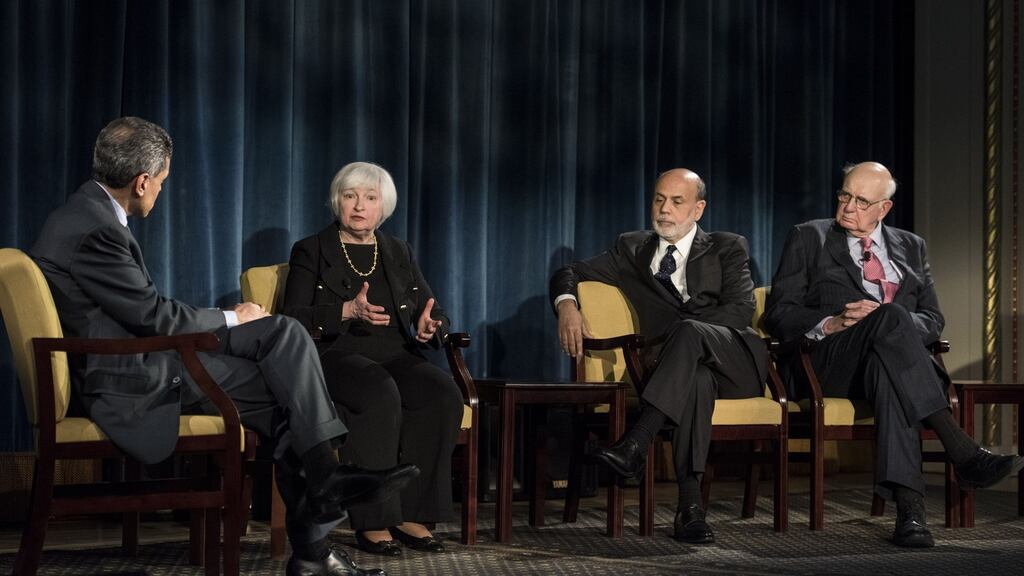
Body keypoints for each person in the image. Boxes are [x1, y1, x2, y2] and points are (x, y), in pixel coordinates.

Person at [30, 117, 417, 576]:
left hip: (148, 353)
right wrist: (233, 316)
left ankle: (324, 484)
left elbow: (143, 309)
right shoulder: (95, 229)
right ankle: (315, 535)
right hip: (133, 375)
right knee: (288, 396)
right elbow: (152, 315)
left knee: (283, 333)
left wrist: (244, 319)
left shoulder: (86, 213)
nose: (160, 192)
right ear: (142, 181)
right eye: (162, 183)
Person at [762, 161, 1024, 548]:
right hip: (826, 364)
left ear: (884, 208)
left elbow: (933, 320)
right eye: (844, 195)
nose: (848, 207)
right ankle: (963, 451)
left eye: (861, 201)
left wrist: (891, 322)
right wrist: (830, 322)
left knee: (890, 361)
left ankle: (911, 515)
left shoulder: (911, 247)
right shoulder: (808, 237)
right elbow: (778, 315)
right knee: (890, 319)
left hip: (887, 367)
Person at [550, 168, 768, 544]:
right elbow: (569, 270)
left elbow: (739, 312)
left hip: (736, 364)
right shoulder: (632, 248)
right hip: (682, 373)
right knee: (695, 380)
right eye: (659, 199)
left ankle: (636, 441)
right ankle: (690, 510)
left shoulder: (727, 246)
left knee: (689, 333)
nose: (664, 210)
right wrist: (567, 303)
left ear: (698, 209)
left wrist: (686, 332)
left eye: (676, 202)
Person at [282, 162, 464, 556]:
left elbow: (432, 308)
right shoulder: (312, 249)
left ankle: (413, 513)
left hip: (396, 353)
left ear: (384, 206)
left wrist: (432, 325)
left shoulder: (398, 250)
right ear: (337, 202)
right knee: (379, 391)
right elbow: (291, 317)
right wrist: (346, 311)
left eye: (369, 198)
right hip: (333, 355)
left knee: (441, 392)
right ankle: (374, 519)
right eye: (350, 196)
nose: (359, 206)